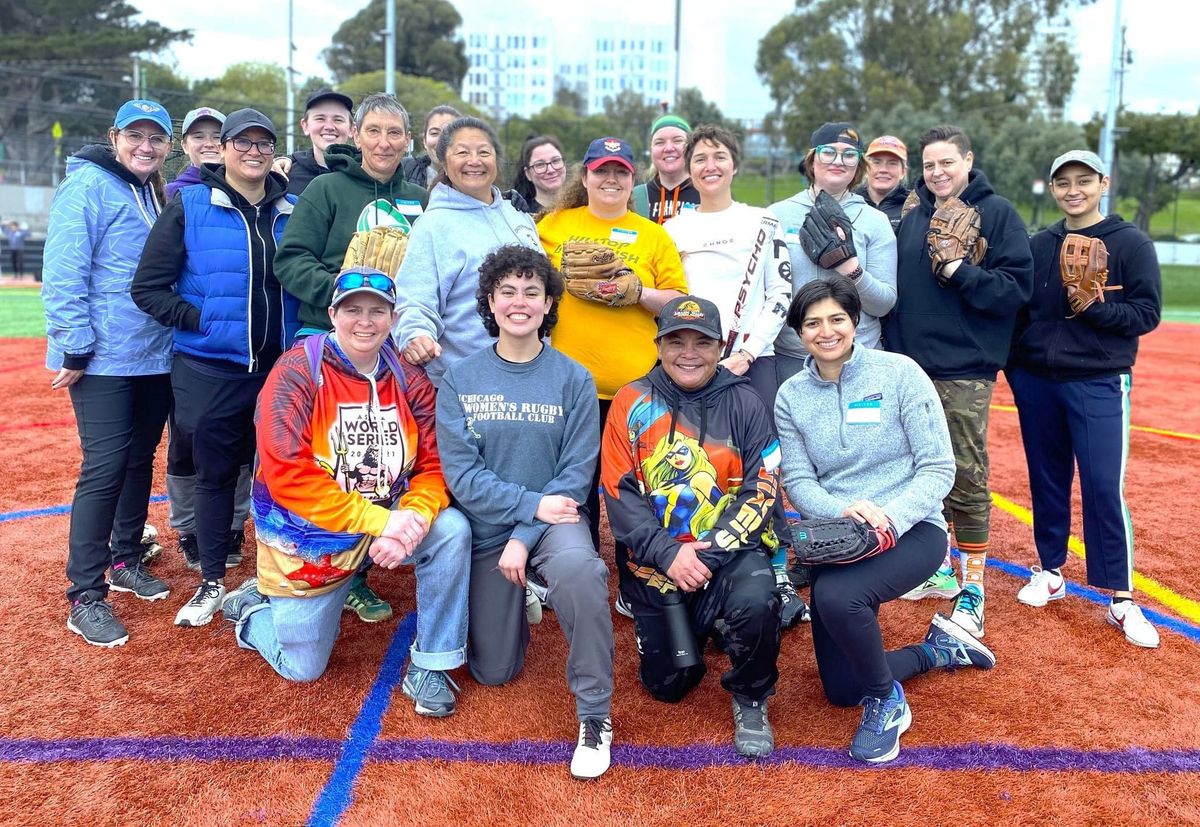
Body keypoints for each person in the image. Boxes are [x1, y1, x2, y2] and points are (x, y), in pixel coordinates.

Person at [221, 268, 472, 716]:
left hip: (387, 513)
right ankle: (255, 611)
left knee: (451, 529)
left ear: (393, 319)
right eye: (353, 310)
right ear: (332, 314)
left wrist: (409, 521)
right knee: (303, 667)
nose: (365, 321)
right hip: (310, 533)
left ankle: (433, 665)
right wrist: (382, 522)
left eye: (377, 311)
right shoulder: (296, 372)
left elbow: (435, 464)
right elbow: (287, 475)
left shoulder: (407, 376)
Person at [775, 278, 995, 764]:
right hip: (843, 535)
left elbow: (939, 467)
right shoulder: (790, 395)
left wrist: (889, 517)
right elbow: (798, 479)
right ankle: (939, 651)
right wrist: (842, 511)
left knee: (837, 597)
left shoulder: (899, 373)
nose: (826, 331)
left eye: (837, 318)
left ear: (855, 322)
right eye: (812, 323)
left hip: (913, 529)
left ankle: (888, 702)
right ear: (798, 333)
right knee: (840, 689)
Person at [437, 245, 614, 780]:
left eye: (531, 292)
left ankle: (595, 714)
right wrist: (523, 513)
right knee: (494, 672)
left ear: (547, 303)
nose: (519, 302)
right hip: (493, 529)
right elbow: (462, 478)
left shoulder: (574, 378)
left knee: (583, 573)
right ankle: (524, 594)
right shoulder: (460, 378)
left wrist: (527, 529)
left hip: (554, 523)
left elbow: (576, 472)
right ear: (490, 301)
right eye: (508, 291)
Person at [132, 108, 298, 627]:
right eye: (242, 143)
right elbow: (148, 288)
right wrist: (200, 320)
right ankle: (210, 581)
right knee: (215, 474)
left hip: (278, 368)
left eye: (264, 144)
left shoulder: (290, 210)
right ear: (222, 149)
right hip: (210, 366)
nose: (254, 152)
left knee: (278, 474)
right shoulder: (190, 204)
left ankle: (279, 576)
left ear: (274, 152)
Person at [602, 295, 783, 758]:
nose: (689, 352)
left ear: (720, 347)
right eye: (675, 340)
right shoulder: (630, 400)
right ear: (658, 345)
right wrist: (668, 555)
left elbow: (762, 487)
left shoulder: (746, 401)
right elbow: (619, 494)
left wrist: (710, 552)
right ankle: (709, 626)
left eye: (701, 342)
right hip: (653, 564)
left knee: (758, 600)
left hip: (725, 552)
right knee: (668, 686)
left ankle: (751, 695)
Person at [884, 125, 1034, 637]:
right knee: (916, 473)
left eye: (947, 162)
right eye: (929, 165)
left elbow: (1016, 290)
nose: (938, 172)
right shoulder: (912, 216)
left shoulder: (998, 214)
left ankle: (973, 590)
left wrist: (958, 271)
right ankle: (939, 570)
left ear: (968, 160)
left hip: (963, 368)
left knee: (965, 475)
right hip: (909, 367)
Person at [1009, 150, 1162, 648]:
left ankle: (1121, 596)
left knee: (1101, 484)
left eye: (1083, 180)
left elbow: (1145, 314)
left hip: (1098, 379)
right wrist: (1018, 368)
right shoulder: (1038, 245)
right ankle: (1051, 571)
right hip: (1038, 381)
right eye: (1063, 182)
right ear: (1053, 189)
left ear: (1103, 182)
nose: (1073, 190)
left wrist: (1095, 309)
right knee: (1047, 478)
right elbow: (1020, 314)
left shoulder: (1130, 243)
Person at [44, 99, 175, 647]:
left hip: (153, 353)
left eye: (156, 138)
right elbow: (65, 266)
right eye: (136, 136)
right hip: (102, 357)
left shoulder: (150, 191)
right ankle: (84, 593)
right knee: (103, 465)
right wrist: (74, 346)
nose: (146, 147)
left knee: (140, 458)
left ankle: (125, 560)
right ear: (115, 136)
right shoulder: (90, 186)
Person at [663, 124, 806, 627]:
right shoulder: (674, 229)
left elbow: (780, 294)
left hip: (750, 363)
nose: (709, 165)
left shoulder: (762, 221)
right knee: (697, 467)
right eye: (699, 157)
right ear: (687, 168)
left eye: (718, 156)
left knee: (761, 468)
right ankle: (699, 562)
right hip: (689, 366)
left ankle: (778, 568)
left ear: (734, 165)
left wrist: (744, 353)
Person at [537, 136, 687, 612]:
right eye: (601, 170)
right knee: (573, 485)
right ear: (585, 177)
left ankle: (633, 578)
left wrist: (638, 291)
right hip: (568, 385)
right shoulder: (554, 225)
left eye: (620, 171)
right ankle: (571, 573)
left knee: (633, 487)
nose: (611, 179)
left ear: (631, 179)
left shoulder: (653, 235)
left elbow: (679, 300)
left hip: (635, 387)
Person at [394, 116, 543, 387]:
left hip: (530, 376)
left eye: (484, 152)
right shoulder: (433, 225)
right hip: (464, 381)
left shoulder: (519, 217)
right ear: (444, 161)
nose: (474, 160)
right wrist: (415, 335)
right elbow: (414, 298)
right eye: (462, 152)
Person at [275, 93, 429, 340]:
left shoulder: (422, 199)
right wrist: (344, 291)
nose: (384, 143)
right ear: (356, 136)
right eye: (373, 131)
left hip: (399, 336)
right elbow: (291, 260)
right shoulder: (325, 188)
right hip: (328, 332)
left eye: (394, 133)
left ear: (407, 140)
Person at [771, 122, 897, 386]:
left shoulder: (875, 221)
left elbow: (883, 304)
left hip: (859, 357)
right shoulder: (778, 215)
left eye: (849, 154)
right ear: (812, 159)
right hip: (793, 357)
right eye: (828, 152)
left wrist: (850, 268)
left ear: (858, 166)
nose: (838, 161)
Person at [272, 89, 355, 196]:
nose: (329, 127)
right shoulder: (283, 176)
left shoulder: (365, 175)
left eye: (338, 120)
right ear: (305, 125)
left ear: (352, 129)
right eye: (320, 118)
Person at [632, 114, 700, 224]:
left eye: (677, 140)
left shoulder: (707, 194)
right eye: (659, 142)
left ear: (692, 147)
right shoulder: (635, 197)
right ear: (651, 150)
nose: (668, 148)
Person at [165, 107, 226, 199]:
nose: (209, 144)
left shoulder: (245, 188)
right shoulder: (171, 192)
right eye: (199, 137)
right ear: (184, 146)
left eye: (217, 137)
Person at [855, 135, 909, 234]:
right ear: (865, 168)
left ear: (903, 172)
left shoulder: (914, 207)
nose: (883, 170)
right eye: (876, 162)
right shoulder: (851, 203)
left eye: (892, 163)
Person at [402, 105, 462, 188]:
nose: (441, 140)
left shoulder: (474, 175)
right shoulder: (404, 168)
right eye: (434, 133)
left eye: (449, 133)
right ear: (424, 141)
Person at [511, 134, 566, 213]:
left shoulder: (584, 206)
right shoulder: (521, 215)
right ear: (528, 174)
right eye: (540, 165)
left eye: (555, 161)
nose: (550, 170)